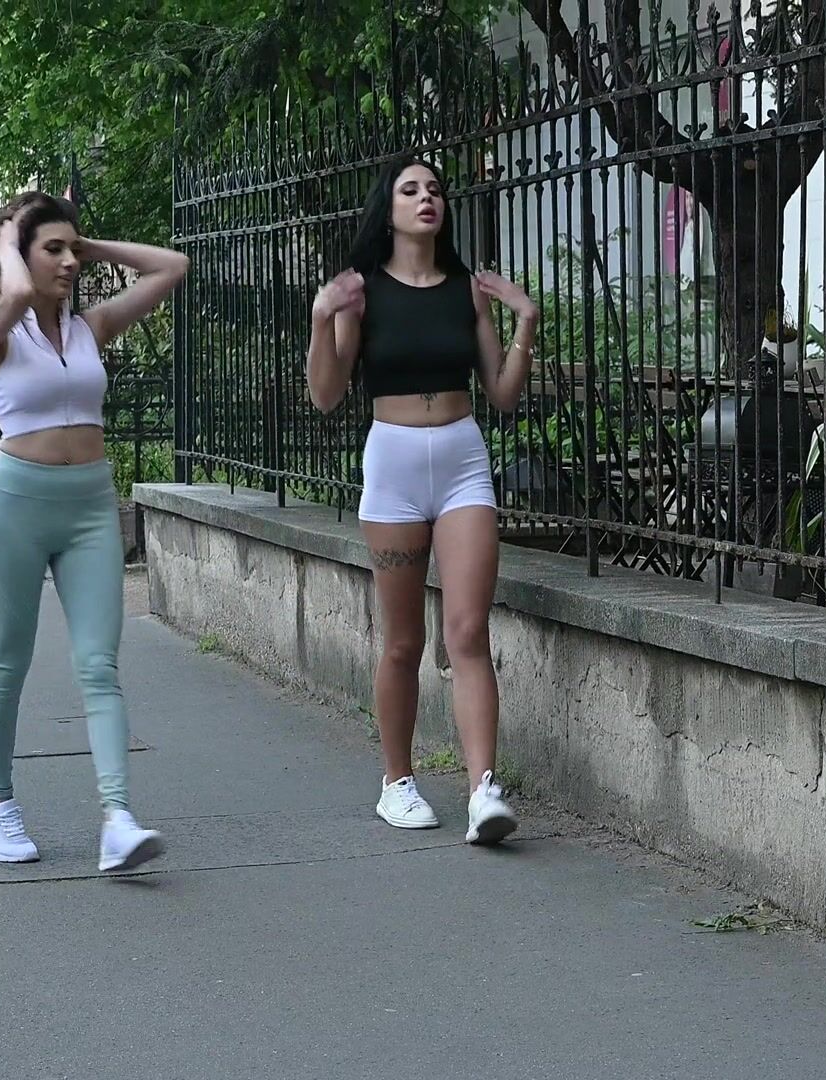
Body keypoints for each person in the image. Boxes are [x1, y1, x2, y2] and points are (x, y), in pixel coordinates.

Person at [305, 157, 539, 845]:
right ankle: (397, 782)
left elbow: (502, 394)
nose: (426, 198)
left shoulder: (467, 290)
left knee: (468, 632)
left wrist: (526, 319)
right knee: (405, 641)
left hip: (462, 462)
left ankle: (483, 790)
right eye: (410, 190)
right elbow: (326, 395)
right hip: (395, 466)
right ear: (390, 209)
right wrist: (321, 319)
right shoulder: (362, 291)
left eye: (435, 189)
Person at [0, 191, 189, 871]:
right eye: (52, 249)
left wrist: (91, 246)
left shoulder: (89, 328)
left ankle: (117, 817)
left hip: (89, 506)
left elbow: (173, 266)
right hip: (17, 508)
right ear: (18, 255)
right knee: (10, 663)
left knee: (99, 664)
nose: (68, 262)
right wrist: (9, 246)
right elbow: (10, 299)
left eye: (72, 250)